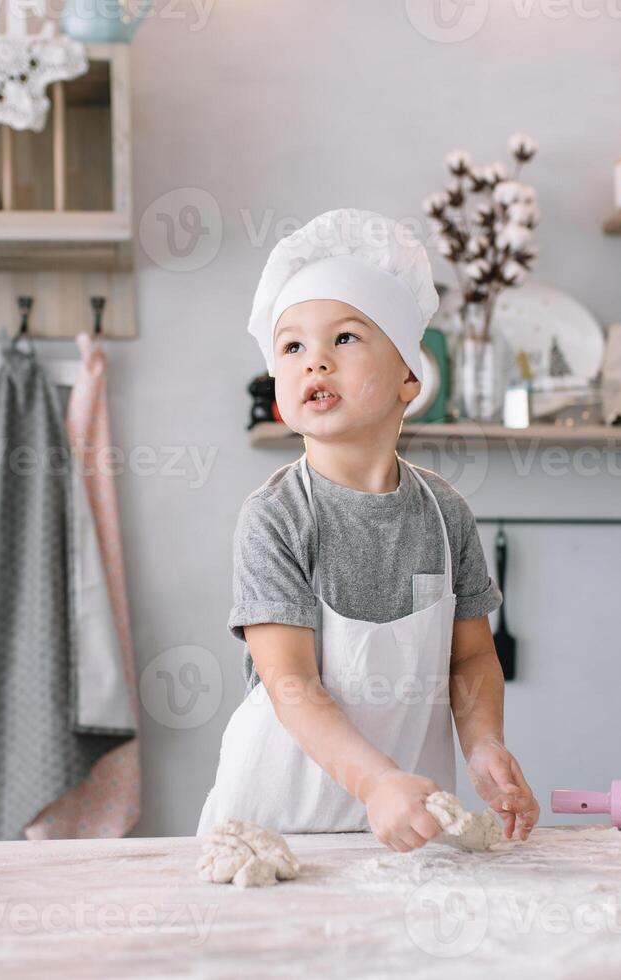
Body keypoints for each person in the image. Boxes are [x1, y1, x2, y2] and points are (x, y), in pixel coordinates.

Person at [197, 208, 539, 852]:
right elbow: (291, 683)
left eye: (346, 339)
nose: (314, 362)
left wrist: (485, 743)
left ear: (411, 377)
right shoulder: (276, 517)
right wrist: (376, 781)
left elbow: (470, 656)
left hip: (408, 824)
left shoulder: (444, 514)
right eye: (292, 346)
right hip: (280, 824)